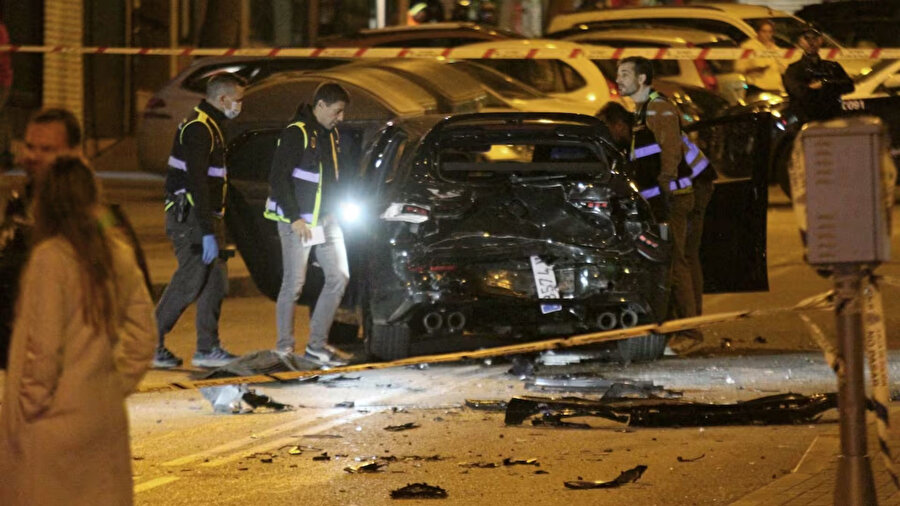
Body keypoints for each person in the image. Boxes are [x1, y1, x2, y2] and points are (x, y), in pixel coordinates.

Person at [0, 156, 156, 506]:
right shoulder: (118, 253)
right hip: (101, 415)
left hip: (53, 422)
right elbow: (144, 336)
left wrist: (27, 408)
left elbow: (43, 349)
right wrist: (113, 386)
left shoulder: (50, 259)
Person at [616, 56, 712, 354]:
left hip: (681, 193)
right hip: (689, 187)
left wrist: (665, 190)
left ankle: (690, 332)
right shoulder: (644, 109)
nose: (618, 79)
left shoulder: (658, 108)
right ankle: (692, 324)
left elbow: (669, 154)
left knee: (677, 261)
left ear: (642, 79)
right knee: (687, 258)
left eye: (624, 74)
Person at [153, 73, 245, 369]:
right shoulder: (199, 128)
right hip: (190, 217)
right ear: (222, 99)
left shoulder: (212, 126)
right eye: (238, 100)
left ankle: (208, 348)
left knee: (214, 283)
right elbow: (196, 183)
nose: (240, 105)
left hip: (206, 218)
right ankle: (148, 343)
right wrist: (206, 231)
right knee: (190, 280)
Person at [264, 82, 350, 367]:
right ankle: (284, 350)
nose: (341, 118)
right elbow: (278, 178)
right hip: (300, 222)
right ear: (321, 106)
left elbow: (331, 178)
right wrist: (295, 218)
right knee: (294, 285)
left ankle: (316, 346)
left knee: (339, 277)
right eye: (337, 111)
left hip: (325, 220)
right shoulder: (296, 133)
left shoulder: (331, 133)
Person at [1, 108, 83, 369]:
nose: (33, 157)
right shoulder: (19, 208)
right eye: (29, 146)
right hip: (23, 375)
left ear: (74, 154)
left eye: (47, 149)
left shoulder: (94, 217)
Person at [782, 28, 854, 123]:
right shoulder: (794, 69)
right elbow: (799, 92)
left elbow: (849, 85)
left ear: (821, 41)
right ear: (800, 42)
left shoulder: (831, 66)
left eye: (814, 39)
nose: (811, 43)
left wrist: (824, 84)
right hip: (806, 120)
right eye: (807, 39)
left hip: (832, 118)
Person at [735, 19, 786, 93]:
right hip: (757, 88)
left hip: (776, 88)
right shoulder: (748, 47)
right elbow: (738, 68)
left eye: (770, 32)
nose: (767, 35)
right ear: (758, 32)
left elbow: (783, 69)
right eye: (764, 31)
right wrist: (754, 69)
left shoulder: (776, 49)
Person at [0, 17, 12, 168]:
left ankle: (5, 155)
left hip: (1, 81)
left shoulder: (0, 30)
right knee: (2, 116)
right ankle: (6, 154)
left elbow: (2, 60)